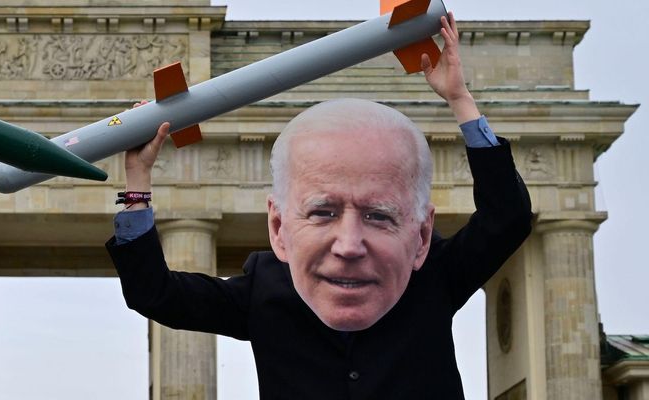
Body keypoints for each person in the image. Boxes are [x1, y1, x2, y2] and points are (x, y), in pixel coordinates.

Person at [107, 14, 533, 399]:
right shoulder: (265, 290)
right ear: (278, 229)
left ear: (420, 238)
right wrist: (137, 181)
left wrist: (460, 99)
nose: (348, 245)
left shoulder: (432, 274)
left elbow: (507, 217)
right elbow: (155, 293)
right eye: (323, 213)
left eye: (378, 215)